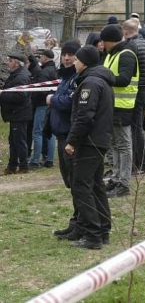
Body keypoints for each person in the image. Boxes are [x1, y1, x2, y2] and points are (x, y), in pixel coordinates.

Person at [61, 45, 114, 250]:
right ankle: (102, 229)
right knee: (96, 185)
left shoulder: (90, 83)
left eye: (76, 60)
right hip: (98, 140)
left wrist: (72, 141)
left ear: (84, 62)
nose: (74, 63)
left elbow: (85, 116)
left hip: (89, 142)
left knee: (81, 186)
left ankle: (93, 235)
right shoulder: (99, 80)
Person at [47, 40, 81, 236]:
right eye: (65, 54)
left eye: (71, 54)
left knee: (77, 182)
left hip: (71, 136)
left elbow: (69, 102)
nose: (67, 58)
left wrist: (52, 99)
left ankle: (80, 222)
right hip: (61, 135)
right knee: (70, 181)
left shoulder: (77, 78)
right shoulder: (65, 77)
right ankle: (76, 220)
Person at [101, 24, 138, 198]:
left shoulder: (127, 54)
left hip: (123, 106)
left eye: (104, 41)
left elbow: (123, 79)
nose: (102, 44)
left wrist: (102, 77)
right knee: (115, 144)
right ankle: (116, 178)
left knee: (124, 145)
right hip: (112, 105)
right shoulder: (111, 54)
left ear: (110, 40)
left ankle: (124, 183)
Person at [123, 18, 145, 174]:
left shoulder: (131, 46)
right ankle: (142, 163)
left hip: (135, 92)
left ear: (126, 32)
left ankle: (143, 163)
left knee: (136, 129)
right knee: (140, 128)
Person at [0, 53, 32, 175]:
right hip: (15, 114)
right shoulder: (16, 75)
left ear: (17, 63)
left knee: (19, 141)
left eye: (10, 60)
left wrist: (2, 94)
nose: (7, 62)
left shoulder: (21, 77)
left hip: (19, 114)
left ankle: (23, 166)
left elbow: (20, 96)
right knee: (13, 141)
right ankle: (12, 166)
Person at [29, 49, 57, 169]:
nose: (40, 59)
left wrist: (34, 98)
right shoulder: (55, 70)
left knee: (37, 132)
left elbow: (39, 89)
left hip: (42, 104)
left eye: (41, 57)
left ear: (45, 58)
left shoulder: (43, 72)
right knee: (50, 132)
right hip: (53, 103)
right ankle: (49, 158)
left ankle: (35, 160)